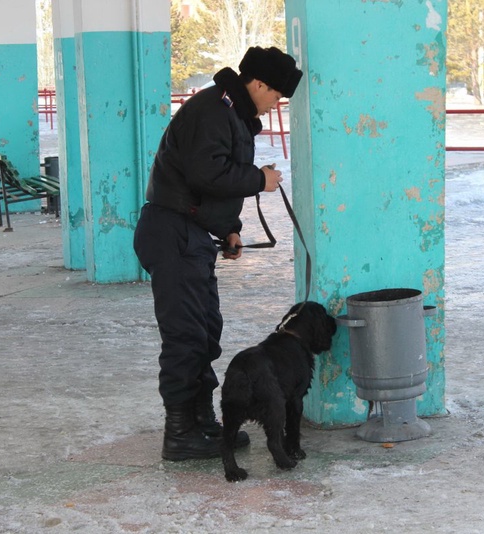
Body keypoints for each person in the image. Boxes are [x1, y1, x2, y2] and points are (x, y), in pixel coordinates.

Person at [133, 46, 303, 461]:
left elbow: (207, 181)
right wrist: (258, 179)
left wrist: (229, 229)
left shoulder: (232, 113)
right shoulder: (214, 109)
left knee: (205, 331)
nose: (275, 104)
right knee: (185, 338)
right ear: (258, 84)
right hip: (173, 234)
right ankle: (179, 434)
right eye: (276, 95)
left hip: (191, 234)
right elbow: (207, 171)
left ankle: (201, 420)